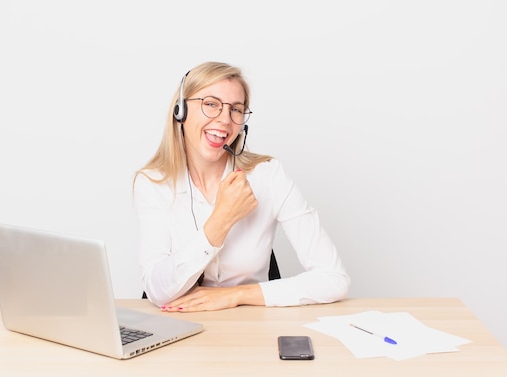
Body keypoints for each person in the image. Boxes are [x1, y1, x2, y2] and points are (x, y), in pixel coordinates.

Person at [133, 61, 350, 312]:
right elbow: (157, 291)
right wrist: (221, 219)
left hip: (249, 329)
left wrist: (236, 295)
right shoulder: (152, 183)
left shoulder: (268, 176)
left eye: (236, 109)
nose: (225, 119)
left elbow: (334, 279)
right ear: (180, 110)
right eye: (211, 104)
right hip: (178, 329)